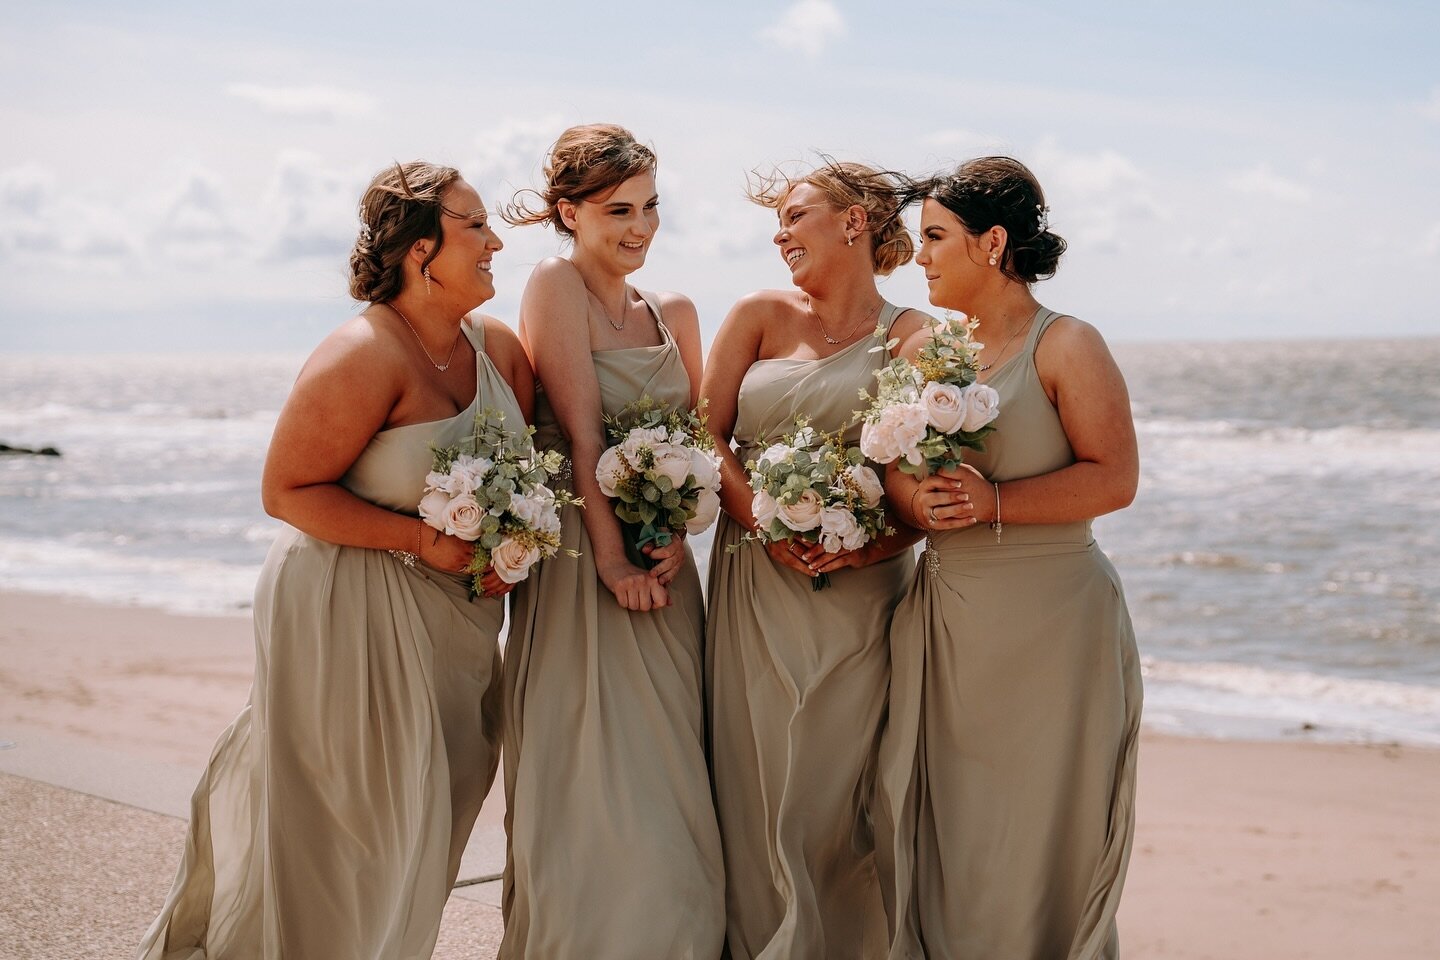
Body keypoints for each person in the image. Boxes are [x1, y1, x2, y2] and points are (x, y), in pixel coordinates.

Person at [137, 161, 534, 959]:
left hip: (454, 626)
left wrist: (511, 547)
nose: (496, 243)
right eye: (475, 226)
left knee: (439, 817)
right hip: (341, 609)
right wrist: (423, 539)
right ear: (421, 250)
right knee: (349, 834)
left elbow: (529, 472)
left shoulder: (499, 350)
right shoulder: (362, 354)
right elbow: (285, 490)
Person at [875, 156, 1143, 960]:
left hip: (1054, 629)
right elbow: (898, 474)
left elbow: (1116, 479)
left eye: (934, 237)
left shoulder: (1068, 345)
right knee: (953, 834)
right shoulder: (928, 354)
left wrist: (995, 505)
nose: (918, 255)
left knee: (1041, 837)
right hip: (952, 627)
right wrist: (913, 501)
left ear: (992, 243)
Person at [498, 123, 724, 959]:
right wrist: (612, 558)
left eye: (651, 207)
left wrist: (681, 533)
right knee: (590, 768)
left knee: (673, 776)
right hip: (587, 560)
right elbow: (583, 440)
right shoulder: (555, 284)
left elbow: (695, 445)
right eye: (618, 210)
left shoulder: (677, 311)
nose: (641, 227)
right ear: (570, 213)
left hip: (663, 564)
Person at [700, 160, 927, 959]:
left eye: (797, 215)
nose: (779, 232)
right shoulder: (759, 314)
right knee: (751, 772)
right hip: (753, 573)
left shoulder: (914, 337)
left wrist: (865, 541)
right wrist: (766, 519)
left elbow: (916, 483)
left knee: (839, 791)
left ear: (855, 221)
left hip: (862, 589)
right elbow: (706, 435)